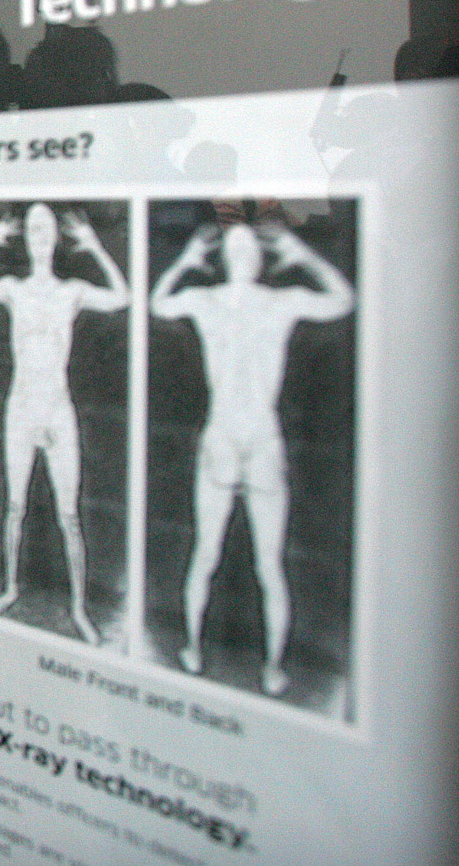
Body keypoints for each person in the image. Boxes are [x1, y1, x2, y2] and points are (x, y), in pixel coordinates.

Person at [151, 221, 354, 696]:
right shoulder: (209, 300)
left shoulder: (279, 303)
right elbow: (158, 305)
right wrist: (184, 261)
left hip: (260, 439)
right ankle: (195, 649)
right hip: (223, 438)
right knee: (208, 552)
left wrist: (302, 254)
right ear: (224, 257)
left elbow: (344, 301)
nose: (244, 252)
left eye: (249, 246)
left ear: (262, 259)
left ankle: (271, 666)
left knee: (268, 563)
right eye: (235, 245)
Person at [0, 204, 127, 646]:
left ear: (57, 237)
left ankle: (79, 607)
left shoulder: (71, 291)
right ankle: (11, 588)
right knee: (15, 507)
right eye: (33, 227)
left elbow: (122, 297)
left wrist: (95, 247)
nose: (40, 234)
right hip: (21, 409)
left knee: (69, 515)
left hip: (58, 408)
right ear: (26, 238)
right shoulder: (13, 289)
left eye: (47, 228)